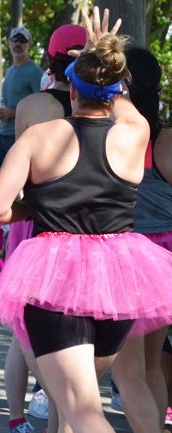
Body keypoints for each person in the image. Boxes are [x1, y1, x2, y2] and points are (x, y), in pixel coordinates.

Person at [0, 7, 172, 432]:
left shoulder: (38, 137)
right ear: (116, 90)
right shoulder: (134, 134)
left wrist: (34, 207)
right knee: (73, 409)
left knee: (82, 412)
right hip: (119, 282)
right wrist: (105, 54)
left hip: (56, 280)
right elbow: (122, 104)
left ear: (69, 90)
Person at [4, 23, 86, 433]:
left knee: (24, 329)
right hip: (85, 227)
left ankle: (22, 417)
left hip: (33, 223)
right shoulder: (103, 109)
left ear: (48, 60)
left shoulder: (32, 106)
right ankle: (55, 419)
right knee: (70, 335)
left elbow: (20, 177)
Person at [110, 47, 172, 433]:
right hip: (166, 252)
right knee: (152, 365)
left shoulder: (118, 133)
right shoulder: (166, 137)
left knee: (127, 369)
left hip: (130, 253)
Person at [0, 25, 43, 179]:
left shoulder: (35, 72)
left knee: (15, 183)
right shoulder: (10, 70)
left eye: (23, 40)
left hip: (20, 137)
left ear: (30, 45)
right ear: (8, 43)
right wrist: (3, 111)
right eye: (15, 39)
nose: (18, 44)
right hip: (2, 134)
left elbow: (42, 106)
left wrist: (14, 112)